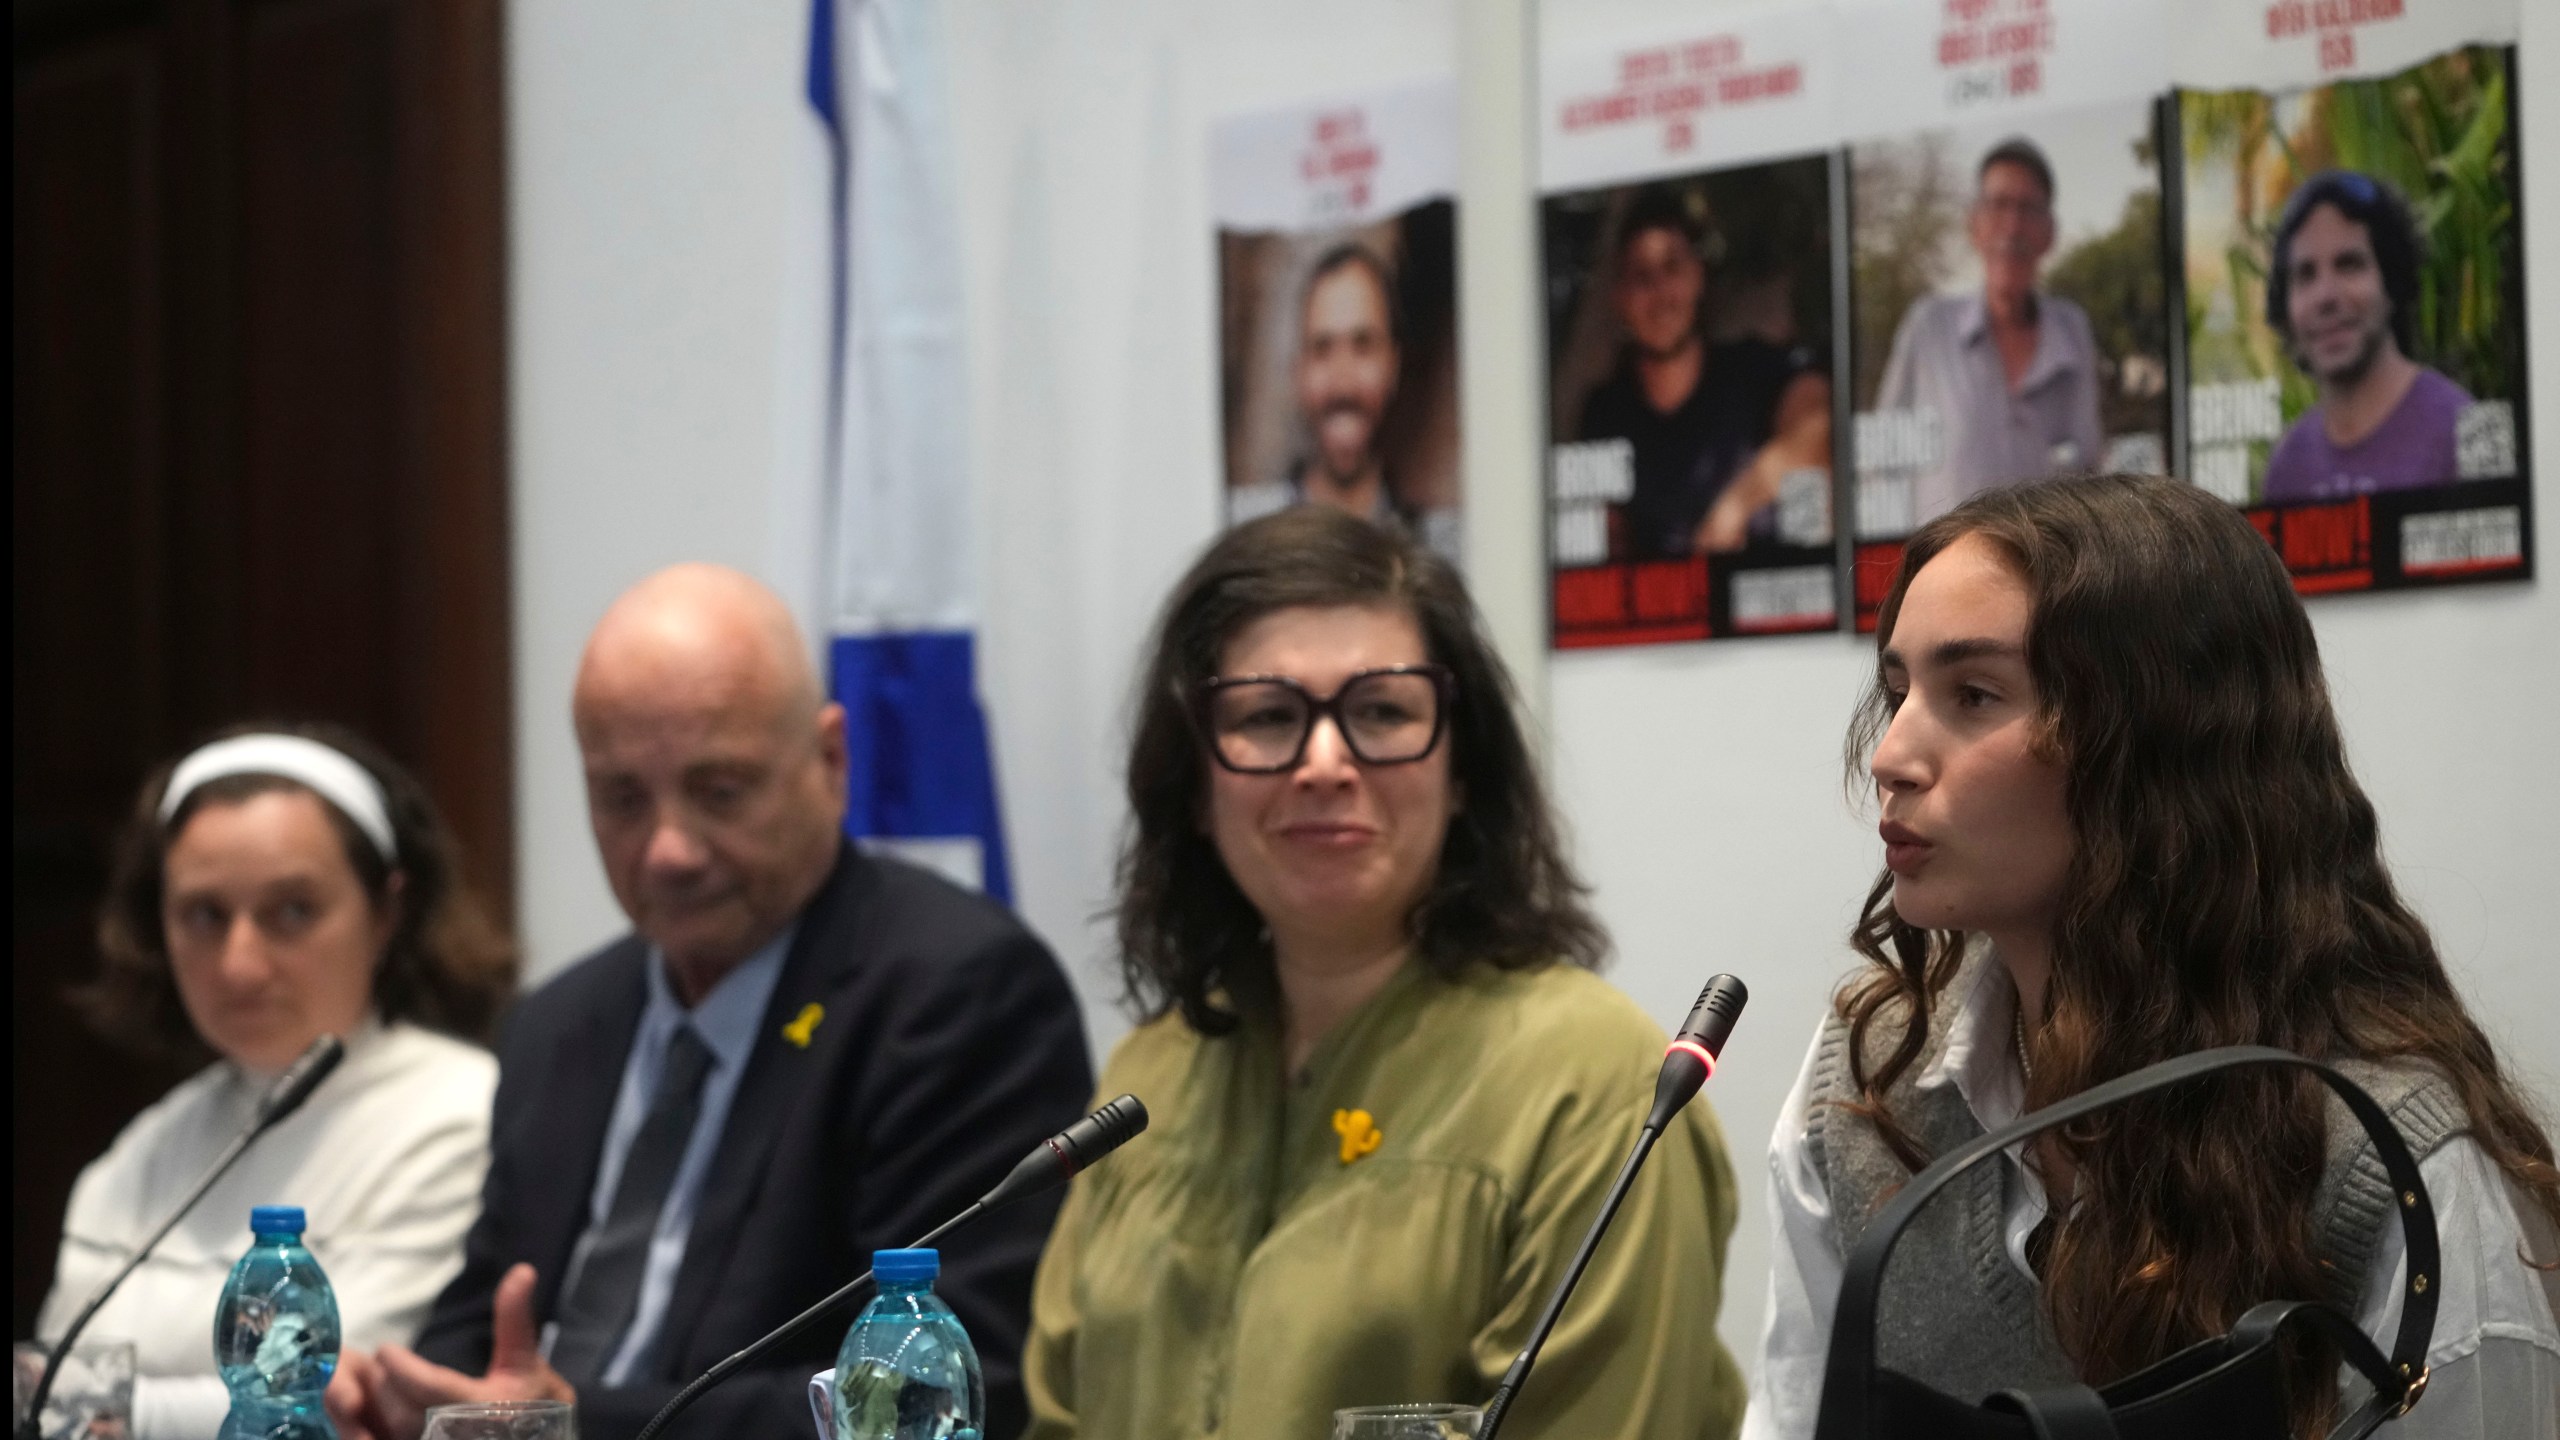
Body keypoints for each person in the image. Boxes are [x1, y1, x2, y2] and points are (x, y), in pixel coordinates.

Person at [1744, 475, 2560, 1439]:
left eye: (1972, 694)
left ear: (2161, 748)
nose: (1891, 754)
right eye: (1898, 692)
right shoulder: (1868, 1075)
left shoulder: (2399, 1169)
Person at [1022, 506, 1746, 1440]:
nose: (1324, 764)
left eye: (1381, 712)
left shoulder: (1597, 1087)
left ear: (1463, 771)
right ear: (1194, 788)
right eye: (1268, 716)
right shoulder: (1144, 1079)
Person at [323, 564, 1094, 1440]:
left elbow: (942, 1394)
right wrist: (412, 1399)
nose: (668, 852)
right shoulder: (558, 1026)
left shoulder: (955, 993)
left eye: (719, 791)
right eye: (622, 799)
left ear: (831, 762)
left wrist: (573, 1426)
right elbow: (481, 1334)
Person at [39, 725, 516, 1440]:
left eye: (291, 911)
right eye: (205, 915)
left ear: (387, 913)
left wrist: (118, 1415)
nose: (240, 964)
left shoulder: (464, 1114)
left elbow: (346, 1400)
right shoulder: (144, 1151)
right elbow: (47, 1387)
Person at [1577, 187, 1830, 558]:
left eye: (1672, 267)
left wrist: (1736, 507)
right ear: (1621, 299)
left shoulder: (1753, 369)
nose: (1660, 291)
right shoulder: (1606, 412)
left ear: (1698, 276)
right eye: (1641, 276)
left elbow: (1819, 425)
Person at [1873, 138, 2106, 524]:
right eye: (1998, 205)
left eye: (2028, 209)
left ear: (2049, 232)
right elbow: (1883, 462)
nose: (2013, 226)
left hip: (2046, 576)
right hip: (1944, 574)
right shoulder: (1929, 327)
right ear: (1974, 224)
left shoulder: (2071, 330)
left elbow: (2088, 464)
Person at [1230, 243, 1460, 563]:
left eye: (1363, 345)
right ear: (1298, 371)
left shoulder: (1440, 551)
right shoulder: (1242, 544)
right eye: (1322, 348)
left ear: (1393, 363)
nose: (1343, 381)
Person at [2262, 170, 2474, 504]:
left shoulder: (2465, 428)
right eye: (2305, 274)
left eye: (2349, 264)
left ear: (2391, 282)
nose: (2326, 296)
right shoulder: (2286, 467)